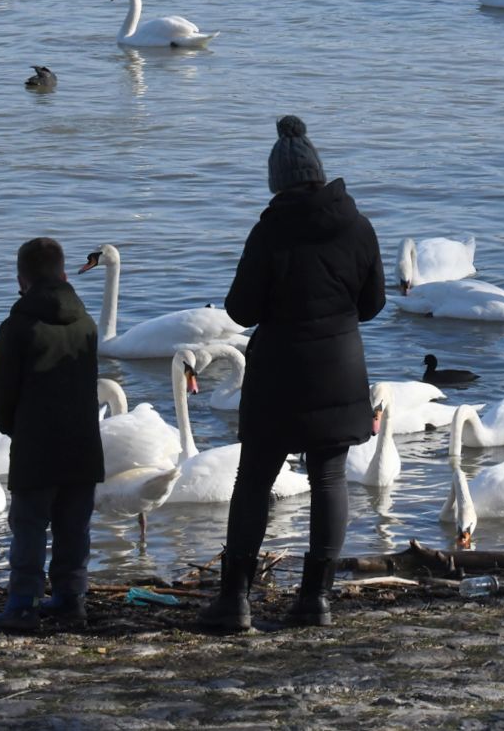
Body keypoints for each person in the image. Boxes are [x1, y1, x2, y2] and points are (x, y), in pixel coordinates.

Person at [201, 116, 386, 632]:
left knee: (255, 480)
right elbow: (373, 304)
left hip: (279, 371)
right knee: (329, 477)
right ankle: (315, 600)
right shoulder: (358, 226)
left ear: (277, 182)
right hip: (340, 367)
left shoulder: (269, 232)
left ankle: (235, 602)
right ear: (319, 173)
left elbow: (240, 310)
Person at [0, 236, 104, 633]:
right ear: (65, 274)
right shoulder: (87, 324)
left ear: (21, 280)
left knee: (30, 527)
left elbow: (3, 393)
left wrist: (13, 428)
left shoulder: (17, 328)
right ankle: (72, 599)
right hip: (84, 444)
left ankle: (23, 605)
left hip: (36, 446)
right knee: (75, 527)